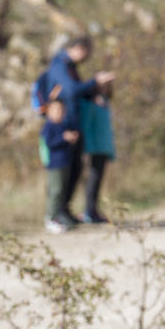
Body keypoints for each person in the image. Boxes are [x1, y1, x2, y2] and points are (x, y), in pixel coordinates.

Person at [43, 35, 114, 225]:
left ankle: (65, 211)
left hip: (75, 125)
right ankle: (56, 213)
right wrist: (94, 82)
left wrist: (96, 93)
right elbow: (72, 90)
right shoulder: (60, 65)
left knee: (75, 169)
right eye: (88, 51)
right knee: (63, 172)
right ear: (78, 48)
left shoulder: (71, 67)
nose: (88, 56)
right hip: (63, 126)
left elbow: (77, 93)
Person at [41, 95, 80, 234]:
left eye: (61, 110)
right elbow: (49, 143)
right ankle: (50, 218)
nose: (59, 112)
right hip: (55, 165)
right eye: (56, 109)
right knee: (55, 192)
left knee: (62, 191)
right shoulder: (49, 127)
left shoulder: (63, 125)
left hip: (65, 164)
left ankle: (59, 216)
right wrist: (64, 138)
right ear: (49, 111)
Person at [80, 81, 115, 224]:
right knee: (92, 180)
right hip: (93, 147)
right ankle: (89, 211)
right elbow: (87, 126)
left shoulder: (106, 102)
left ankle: (93, 210)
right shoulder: (89, 103)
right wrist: (86, 148)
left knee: (98, 179)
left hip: (104, 147)